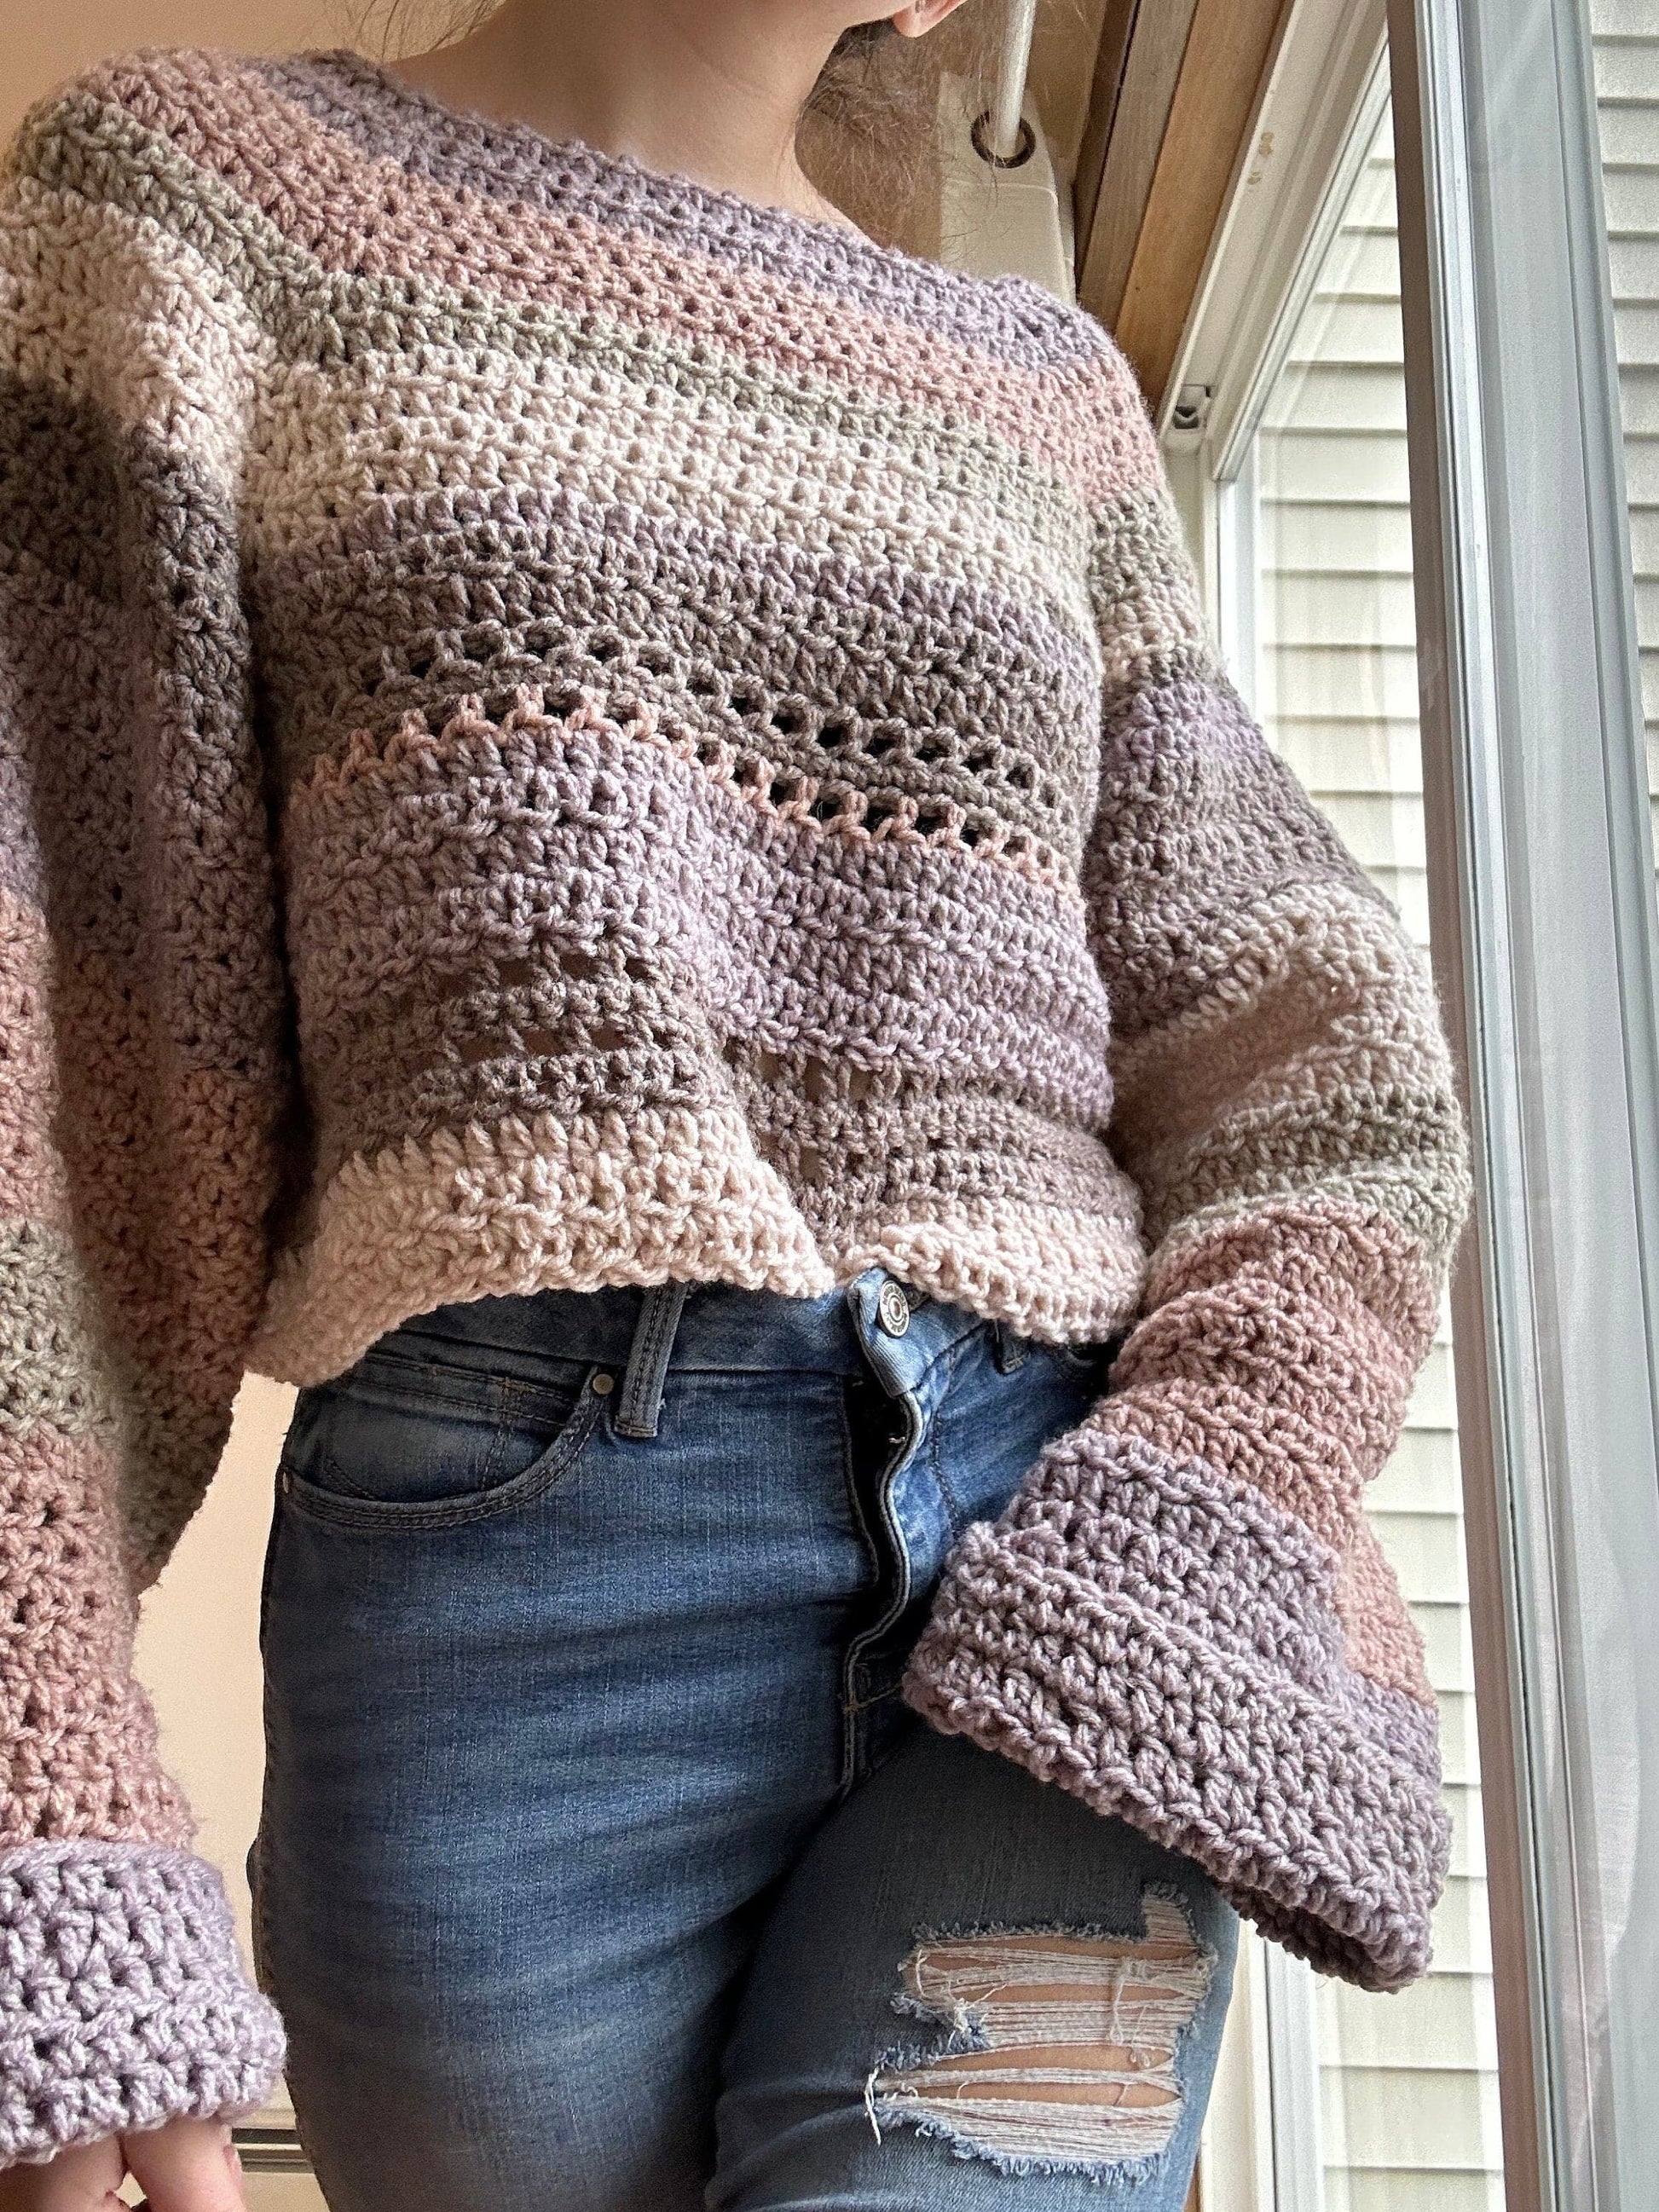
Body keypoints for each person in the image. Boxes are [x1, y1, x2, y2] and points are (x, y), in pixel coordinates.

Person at [0, 2, 1471, 2205]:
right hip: (512, 1628)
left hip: (1066, 1558)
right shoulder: (193, 206)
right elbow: (64, 1074)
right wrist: (48, 1766)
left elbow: (1306, 1041)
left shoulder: (1040, 392)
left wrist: (1211, 1481)